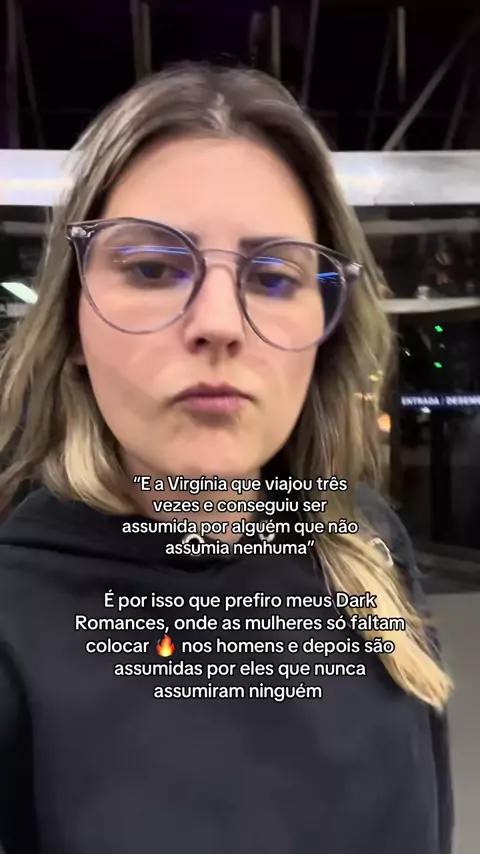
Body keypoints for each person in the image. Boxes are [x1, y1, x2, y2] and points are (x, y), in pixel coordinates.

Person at [0, 63, 453, 854]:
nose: (219, 323)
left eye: (273, 277)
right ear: (72, 325)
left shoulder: (364, 545)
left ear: (325, 333)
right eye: (151, 268)